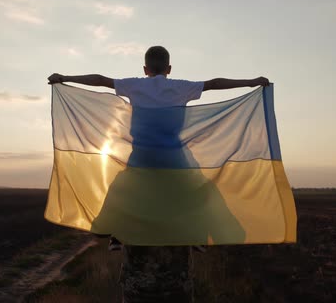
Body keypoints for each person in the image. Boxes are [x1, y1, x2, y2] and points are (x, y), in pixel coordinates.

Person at [48, 46, 269, 302]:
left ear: (145, 69)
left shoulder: (134, 85)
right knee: (199, 189)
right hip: (174, 161)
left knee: (121, 187)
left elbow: (99, 80)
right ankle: (198, 235)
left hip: (143, 159)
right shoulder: (180, 86)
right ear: (169, 69)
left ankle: (115, 233)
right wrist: (252, 82)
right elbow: (215, 83)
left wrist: (64, 78)